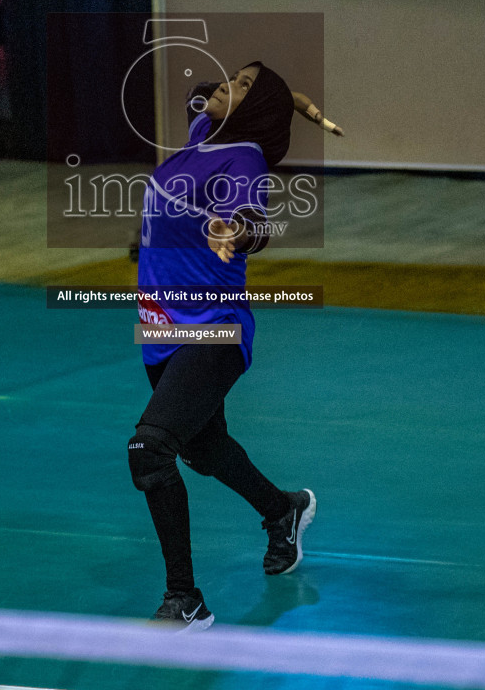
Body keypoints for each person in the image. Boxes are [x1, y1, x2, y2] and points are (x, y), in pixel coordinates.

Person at [131, 61, 342, 630]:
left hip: (214, 328)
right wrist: (289, 95)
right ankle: (283, 510)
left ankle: (185, 601)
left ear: (255, 112)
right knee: (204, 449)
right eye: (234, 77)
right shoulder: (206, 135)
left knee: (151, 450)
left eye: (243, 87)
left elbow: (254, 219)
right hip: (162, 327)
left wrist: (238, 232)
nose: (227, 86)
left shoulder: (243, 158)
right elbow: (202, 96)